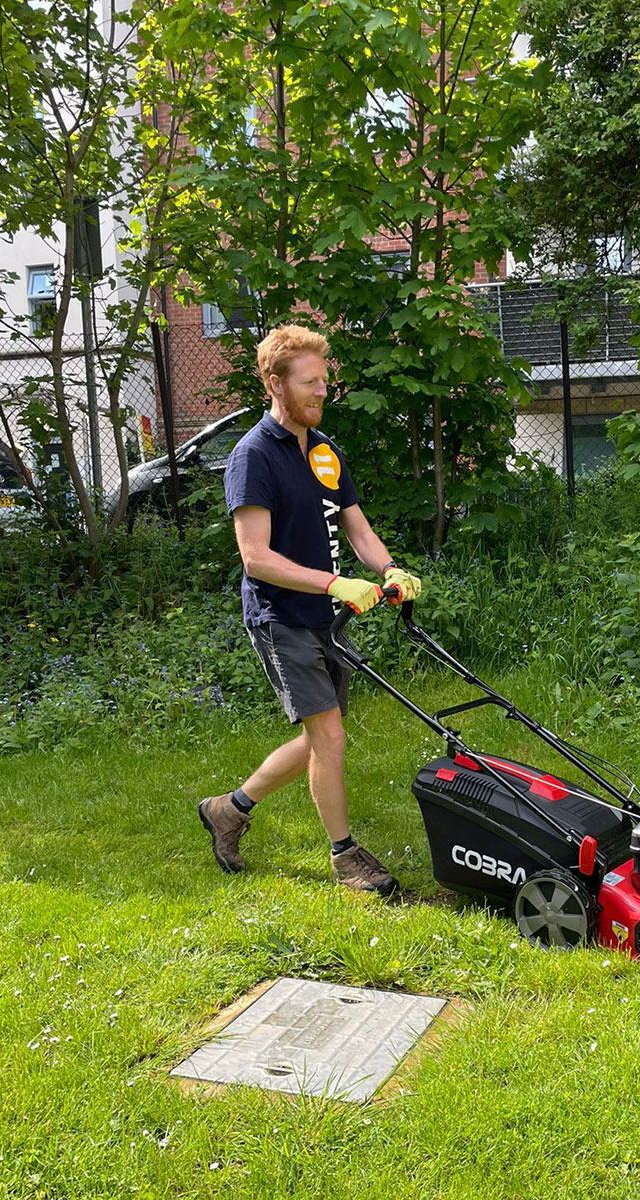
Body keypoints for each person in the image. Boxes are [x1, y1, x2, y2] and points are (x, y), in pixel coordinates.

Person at [198, 324, 421, 896]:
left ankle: (230, 808)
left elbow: (358, 528)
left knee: (323, 737)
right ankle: (346, 858)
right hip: (281, 615)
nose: (322, 392)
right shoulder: (252, 457)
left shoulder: (324, 452)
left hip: (324, 614)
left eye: (325, 382)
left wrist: (387, 569)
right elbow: (256, 559)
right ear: (274, 384)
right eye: (310, 383)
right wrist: (333, 583)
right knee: (329, 739)